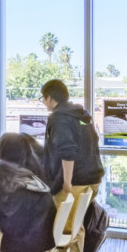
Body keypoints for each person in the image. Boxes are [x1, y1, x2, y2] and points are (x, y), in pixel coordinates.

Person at [39, 79, 102, 233]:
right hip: (92, 178)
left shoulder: (59, 118)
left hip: (74, 182)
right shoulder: (81, 114)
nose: (43, 103)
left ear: (49, 98)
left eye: (43, 98)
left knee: (63, 231)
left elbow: (67, 150)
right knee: (75, 228)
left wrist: (67, 182)